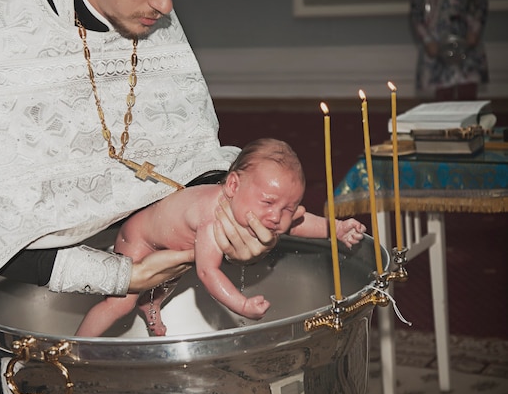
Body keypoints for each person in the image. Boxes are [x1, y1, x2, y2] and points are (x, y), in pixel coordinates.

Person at [0, 0, 276, 394]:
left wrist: (223, 207)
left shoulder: (144, 9)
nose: (164, 2)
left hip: (108, 254)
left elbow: (181, 145)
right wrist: (118, 274)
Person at [76, 138, 367, 337]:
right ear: (232, 185)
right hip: (137, 238)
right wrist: (241, 304)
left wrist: (336, 229)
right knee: (120, 303)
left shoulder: (253, 206)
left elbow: (295, 224)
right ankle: (75, 348)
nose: (277, 216)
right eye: (268, 203)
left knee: (170, 275)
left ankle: (150, 305)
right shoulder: (212, 217)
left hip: (170, 239)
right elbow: (207, 271)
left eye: (288, 207)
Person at [410, 0, 489, 101]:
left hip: (465, 42)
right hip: (437, 42)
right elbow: (416, 13)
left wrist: (475, 30)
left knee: (467, 94)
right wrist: (427, 40)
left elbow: (480, 5)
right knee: (443, 96)